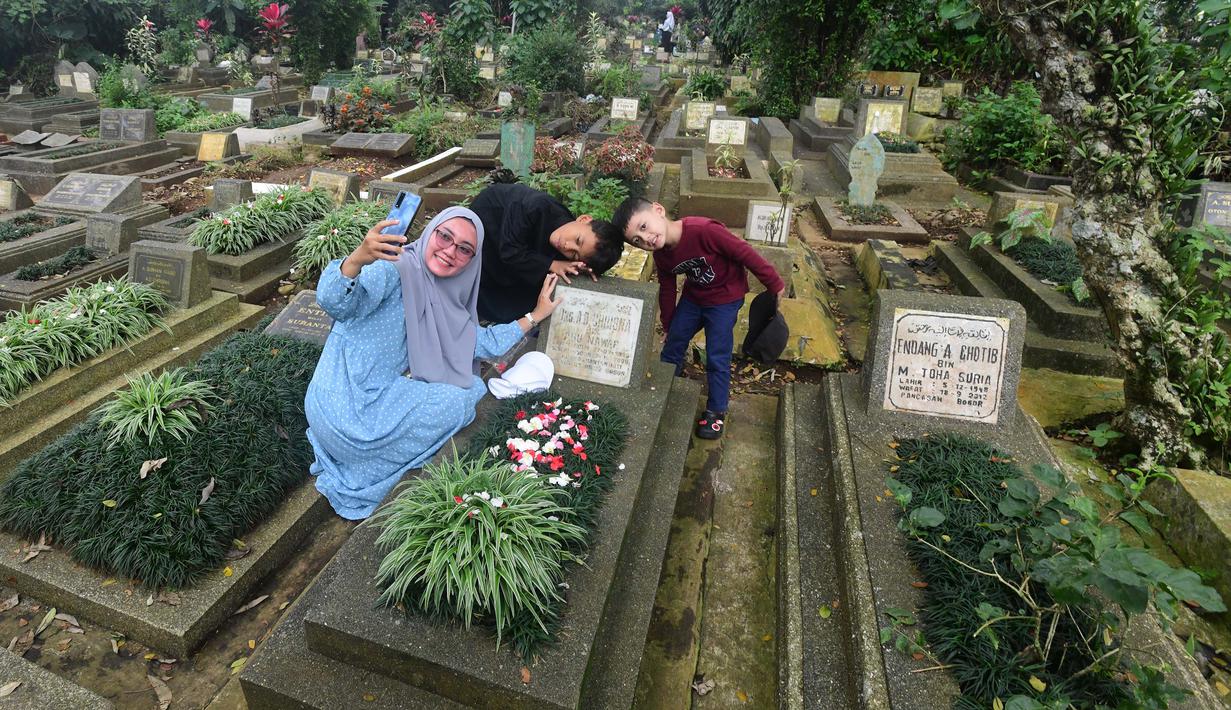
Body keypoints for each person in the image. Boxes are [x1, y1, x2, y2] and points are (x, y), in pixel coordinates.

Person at [304, 206, 564, 519]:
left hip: (349, 405)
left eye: (464, 249)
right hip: (344, 411)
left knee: (469, 388)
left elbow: (477, 342)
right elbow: (336, 303)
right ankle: (363, 473)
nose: (450, 251)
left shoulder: (442, 294)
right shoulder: (394, 267)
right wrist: (357, 259)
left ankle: (359, 458)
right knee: (462, 400)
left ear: (472, 260)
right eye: (445, 237)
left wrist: (535, 315)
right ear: (431, 232)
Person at [613, 197, 784, 440]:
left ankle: (716, 410)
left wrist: (774, 284)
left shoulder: (703, 231)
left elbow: (745, 253)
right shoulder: (662, 254)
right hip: (694, 299)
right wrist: (669, 323)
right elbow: (667, 287)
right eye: (637, 240)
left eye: (643, 226)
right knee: (673, 343)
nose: (646, 239)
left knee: (717, 355)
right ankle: (665, 385)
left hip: (725, 299)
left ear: (658, 210)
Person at [470, 182, 624, 323]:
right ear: (583, 219)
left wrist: (582, 270)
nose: (566, 246)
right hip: (485, 233)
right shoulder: (535, 205)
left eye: (575, 254)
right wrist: (551, 264)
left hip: (510, 256)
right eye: (578, 240)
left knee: (543, 288)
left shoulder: (566, 236)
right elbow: (510, 251)